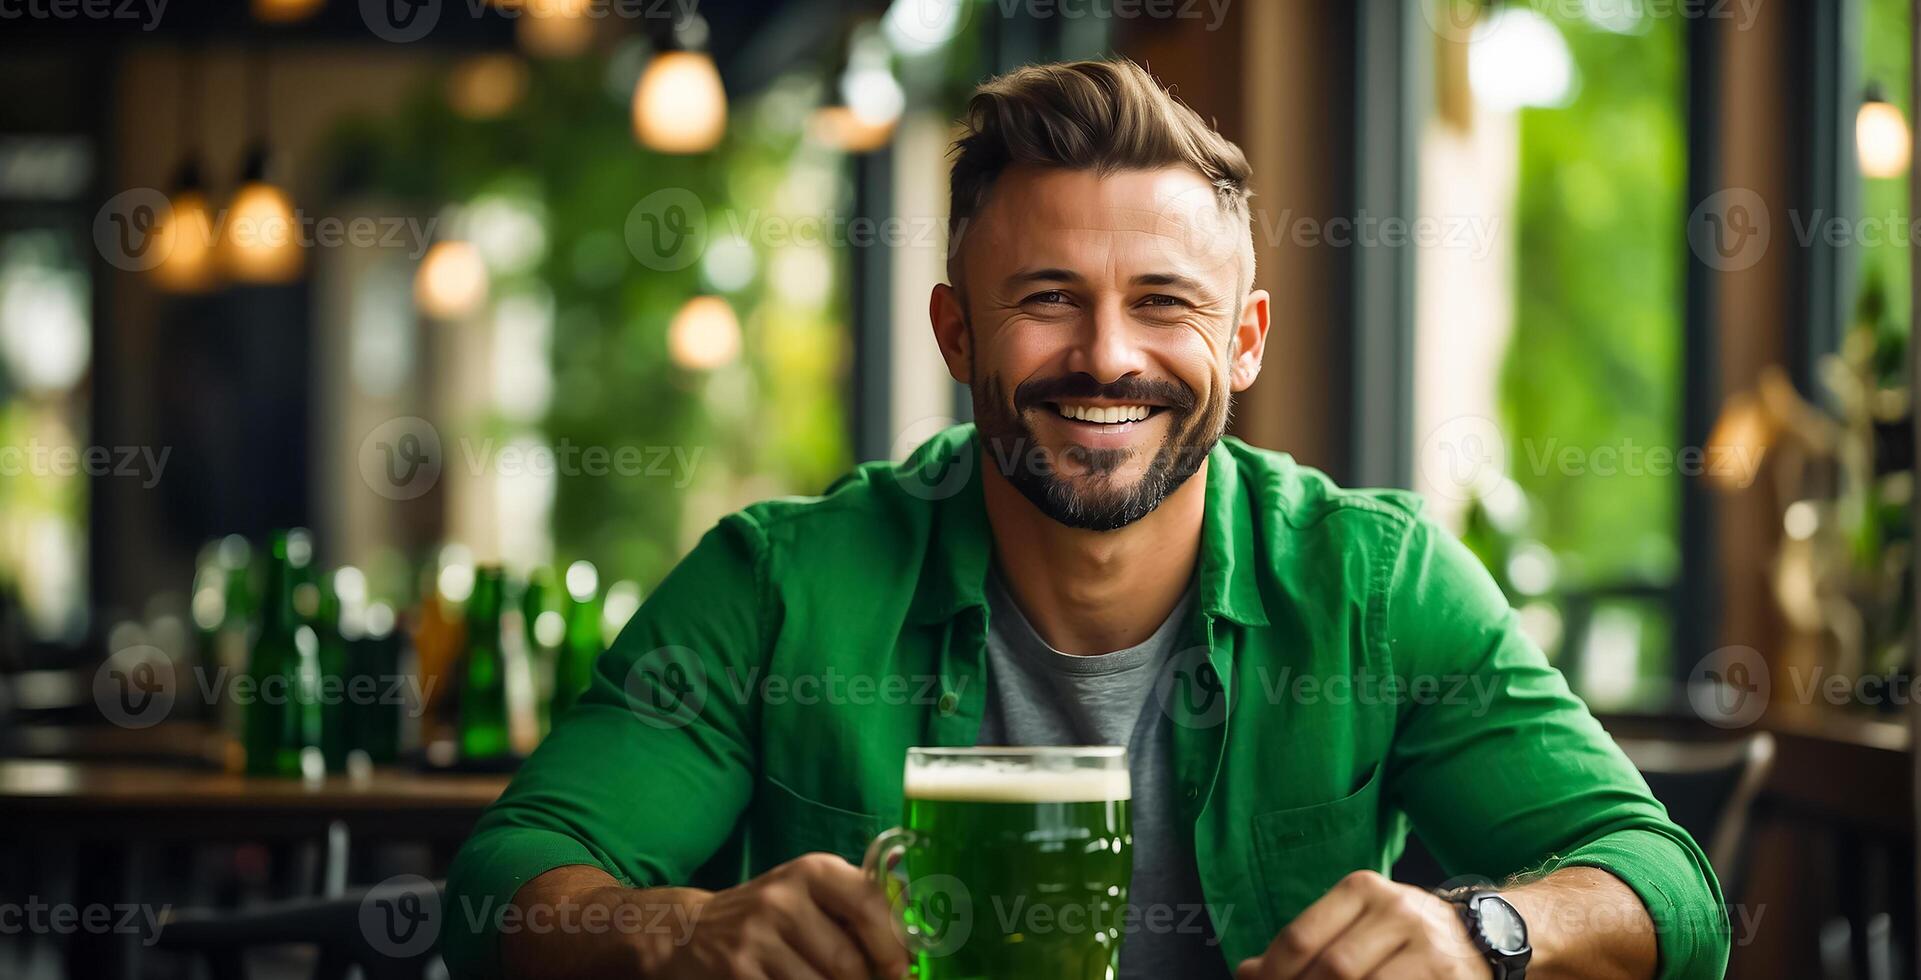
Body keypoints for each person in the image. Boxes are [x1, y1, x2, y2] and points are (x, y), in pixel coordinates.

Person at [444, 58, 1729, 980]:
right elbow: (506, 879)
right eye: (1047, 297)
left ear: (1244, 340)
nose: (1105, 356)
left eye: (1164, 302)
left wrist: (1481, 934)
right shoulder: (778, 582)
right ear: (956, 330)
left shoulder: (1375, 584)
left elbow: (1664, 885)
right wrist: (676, 932)